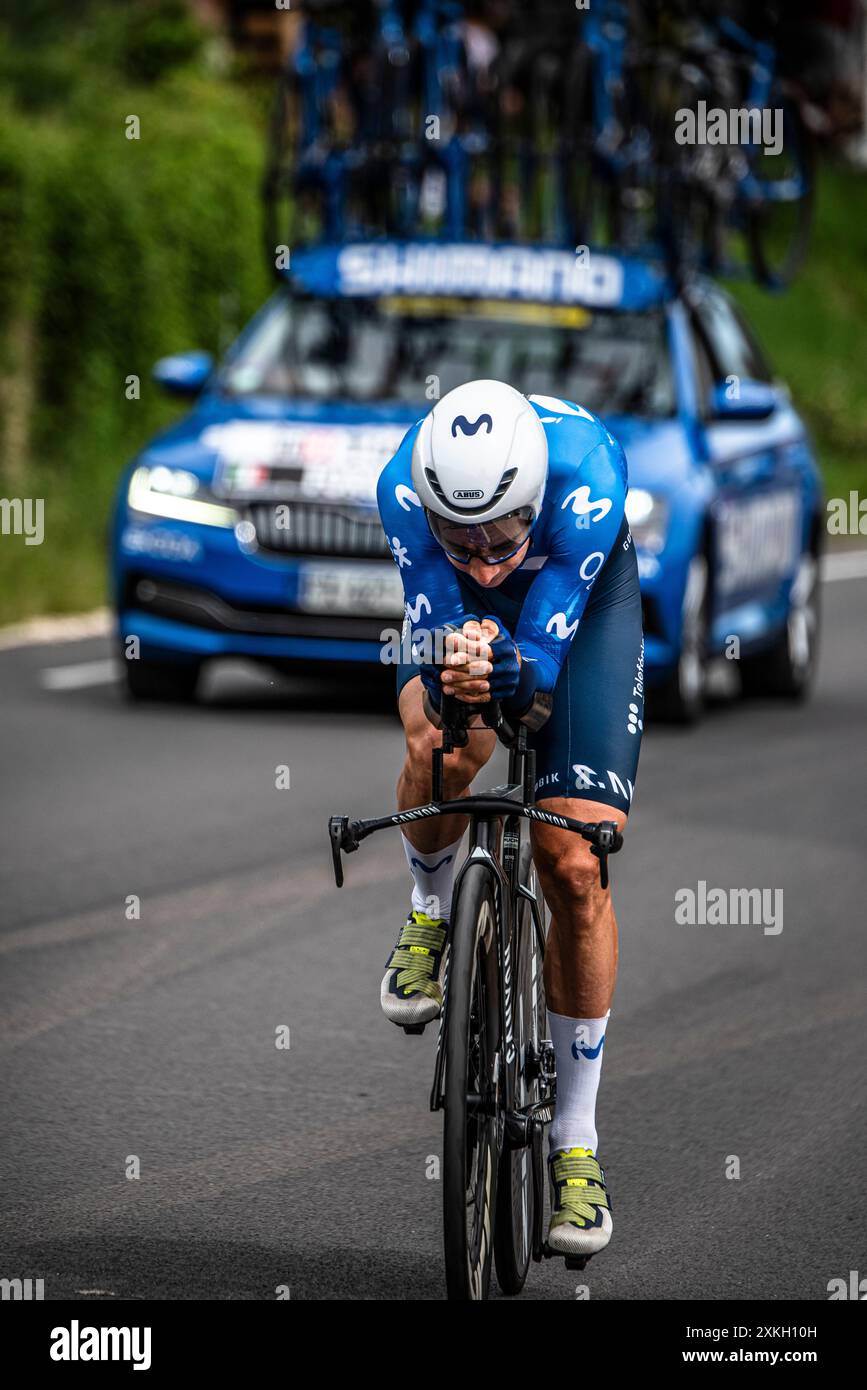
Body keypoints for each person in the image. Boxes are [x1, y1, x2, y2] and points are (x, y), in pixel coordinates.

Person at [376, 378, 644, 1260]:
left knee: (572, 862)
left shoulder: (590, 477)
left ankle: (576, 1142)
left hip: (580, 609)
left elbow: (539, 664)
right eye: (462, 537)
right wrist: (465, 669)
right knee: (443, 744)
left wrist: (514, 674)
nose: (486, 556)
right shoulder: (402, 491)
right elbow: (450, 627)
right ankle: (427, 914)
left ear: (533, 500)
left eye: (500, 533)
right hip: (468, 628)